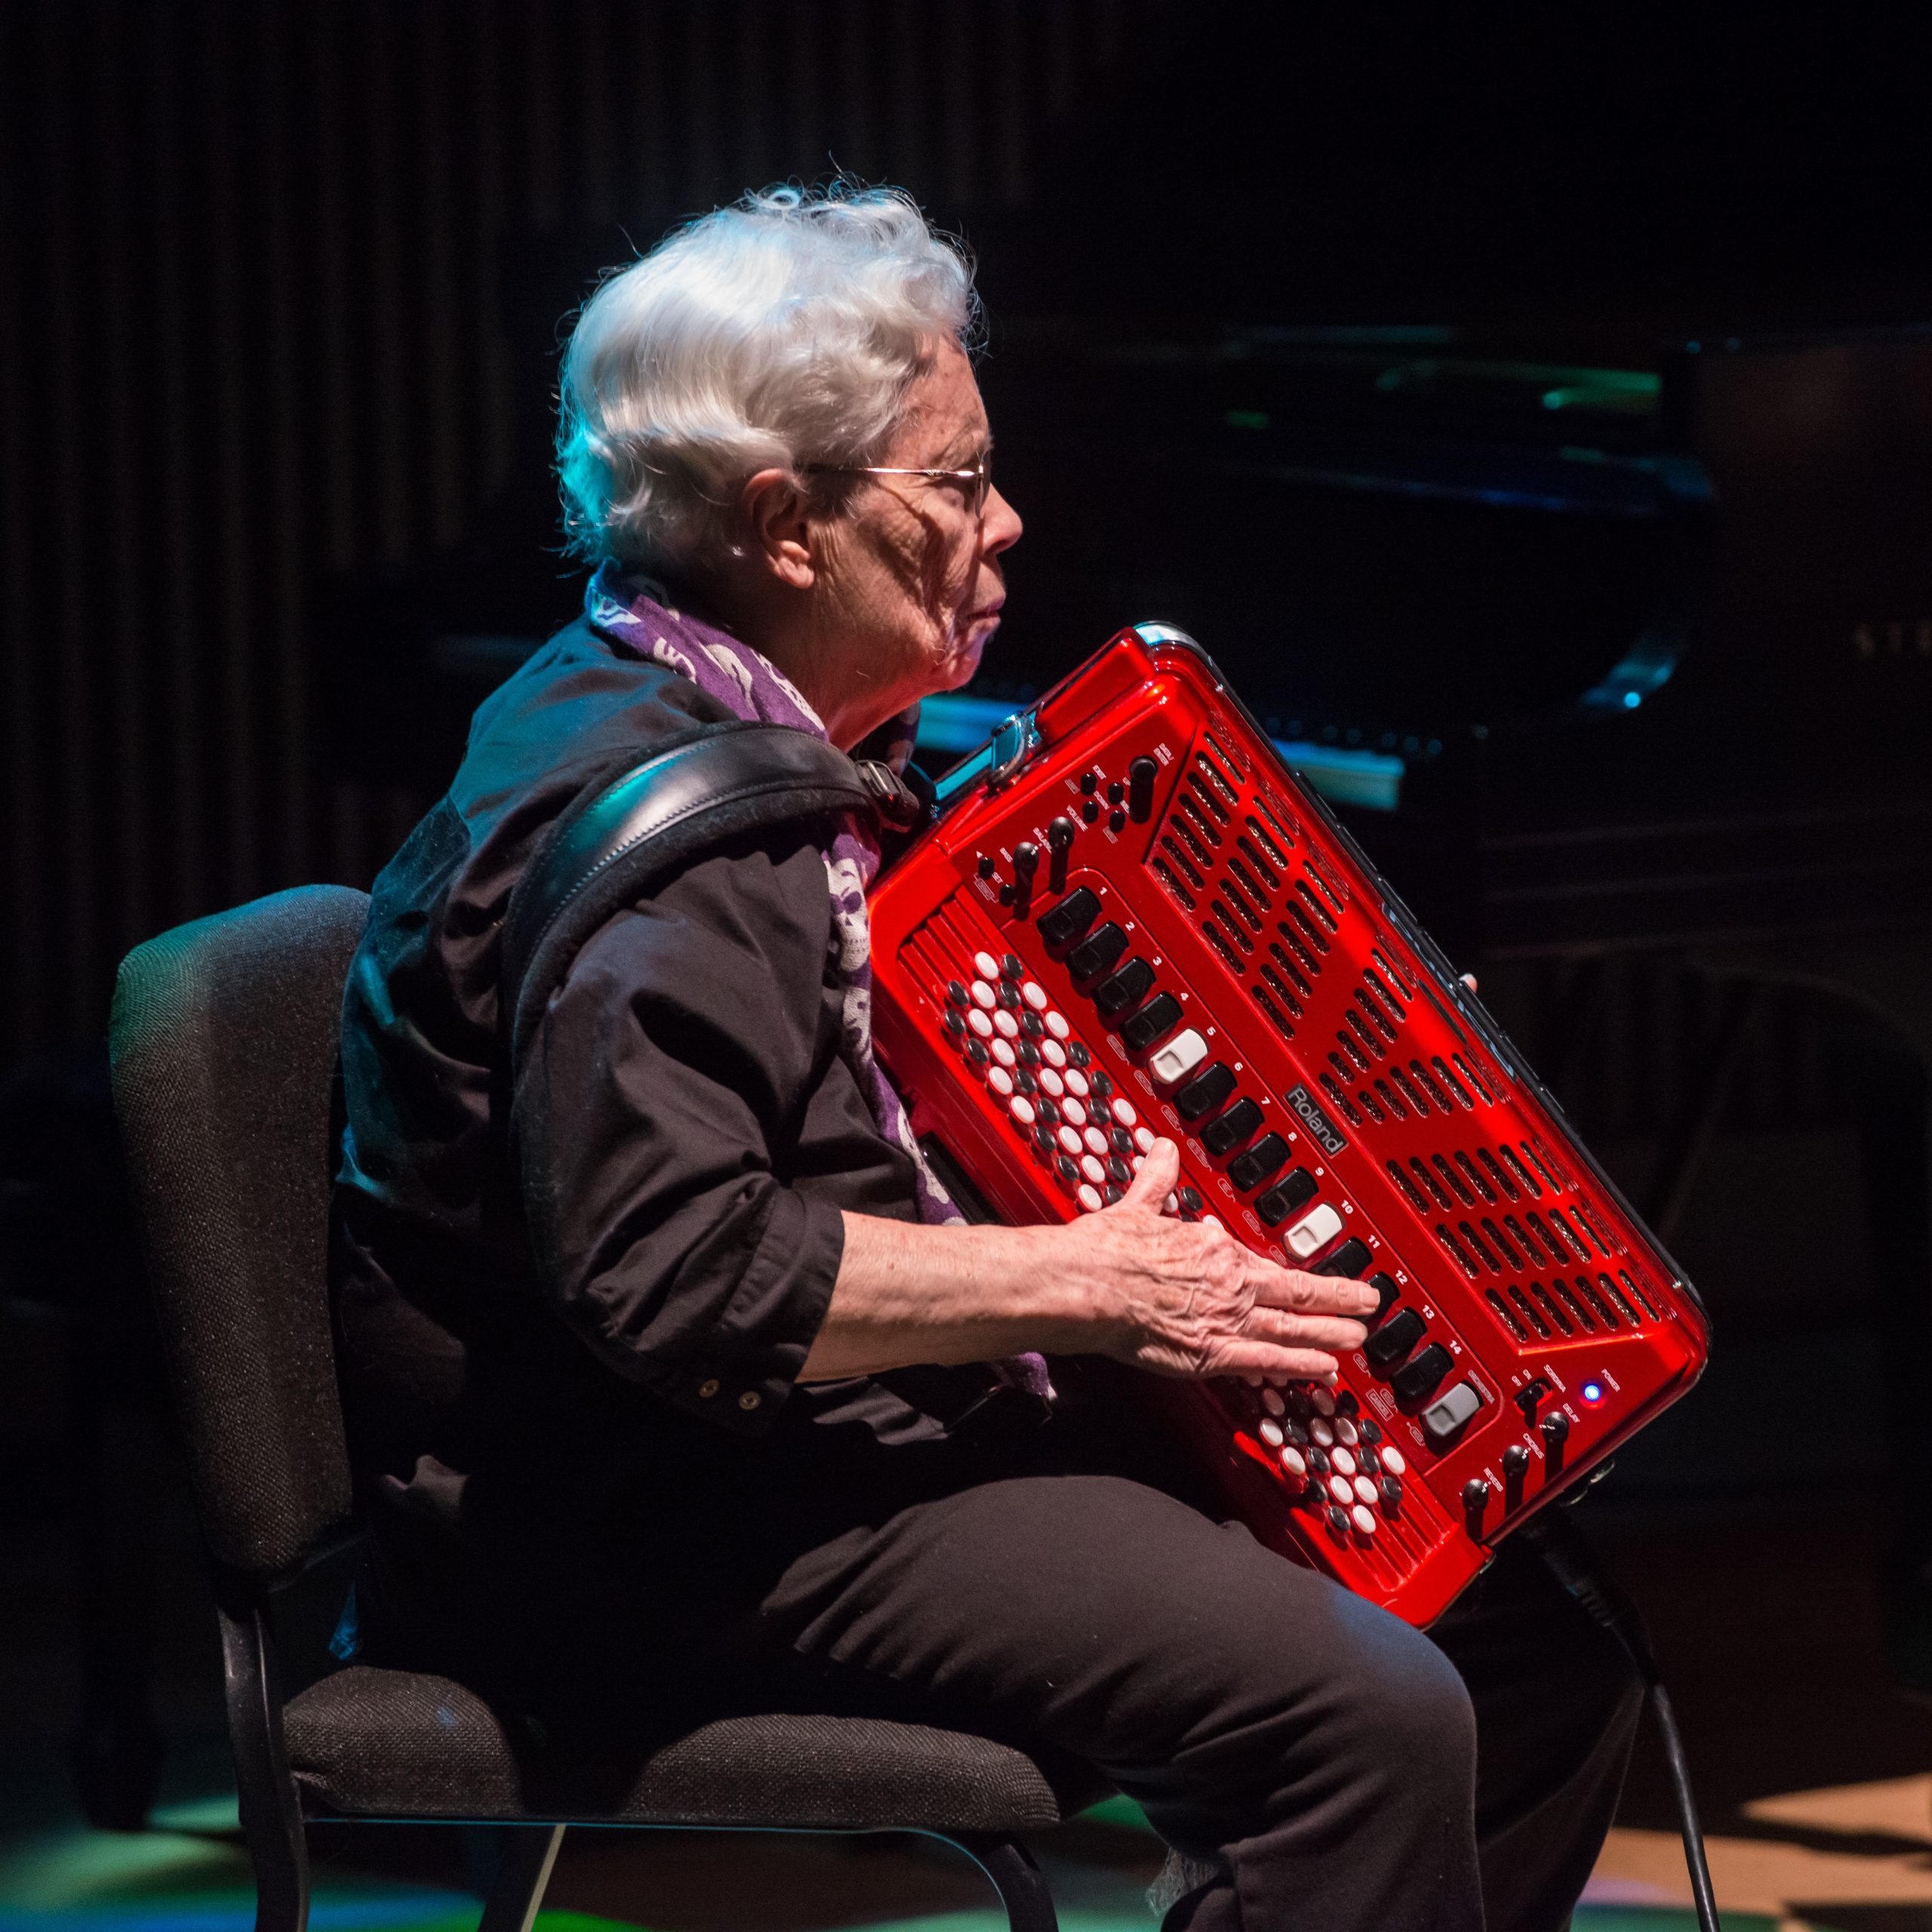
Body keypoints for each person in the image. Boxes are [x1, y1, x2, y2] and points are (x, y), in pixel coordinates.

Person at [331, 184, 1641, 1932]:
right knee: (1363, 1709)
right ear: (783, 524)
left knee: (1529, 1647)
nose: (1006, 520)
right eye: (952, 484)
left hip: (818, 1432)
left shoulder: (734, 718)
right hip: (665, 1513)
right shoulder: (660, 839)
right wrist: (1086, 1279)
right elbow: (675, 1269)